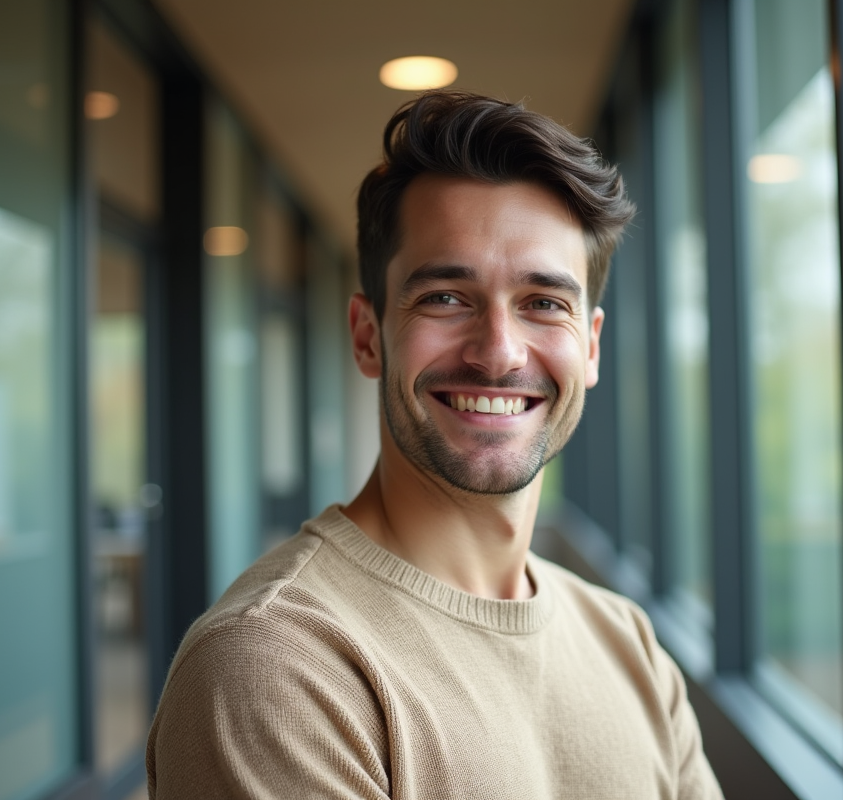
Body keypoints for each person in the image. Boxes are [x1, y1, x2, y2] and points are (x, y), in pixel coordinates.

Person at [147, 91, 723, 800]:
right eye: (446, 298)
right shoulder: (275, 663)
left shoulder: (627, 644)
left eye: (545, 303)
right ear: (367, 336)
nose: (499, 353)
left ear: (592, 346)